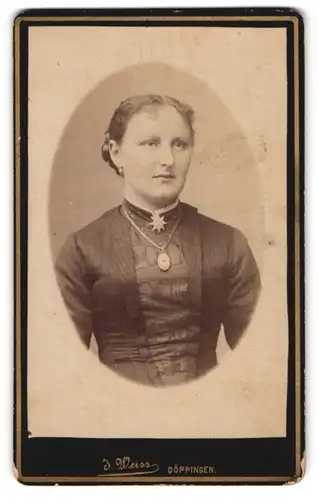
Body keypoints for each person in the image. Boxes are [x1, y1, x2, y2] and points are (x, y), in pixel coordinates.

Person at [55, 94, 261, 387]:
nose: (168, 160)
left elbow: (256, 359)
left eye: (180, 144)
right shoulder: (82, 248)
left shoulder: (228, 244)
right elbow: (63, 366)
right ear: (116, 152)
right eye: (150, 143)